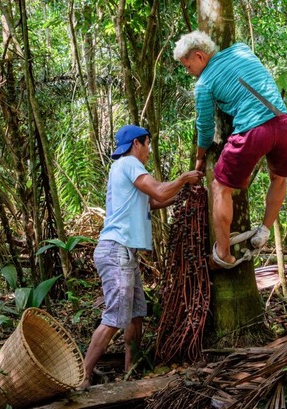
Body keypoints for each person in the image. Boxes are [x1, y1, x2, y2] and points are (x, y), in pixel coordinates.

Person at [79, 124, 203, 388]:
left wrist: (183, 191)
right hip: (117, 250)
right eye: (147, 144)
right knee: (116, 317)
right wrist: (182, 179)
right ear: (137, 143)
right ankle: (83, 375)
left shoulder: (122, 169)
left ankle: (130, 371)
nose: (148, 150)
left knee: (136, 313)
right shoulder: (130, 163)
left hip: (123, 252)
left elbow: (155, 202)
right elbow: (158, 191)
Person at [173, 30, 287, 269]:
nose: (189, 72)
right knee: (279, 177)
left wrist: (200, 158)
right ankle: (264, 231)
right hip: (286, 125)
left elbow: (205, 127)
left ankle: (223, 253)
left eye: (187, 65)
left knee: (219, 187)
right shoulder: (242, 50)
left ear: (200, 56)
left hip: (253, 132)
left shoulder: (203, 84)